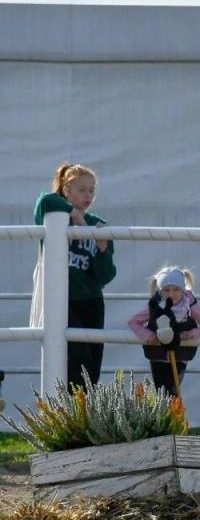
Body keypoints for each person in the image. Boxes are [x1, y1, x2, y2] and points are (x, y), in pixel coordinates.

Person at [34, 163, 115, 388]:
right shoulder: (53, 214)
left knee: (92, 366)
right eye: (82, 189)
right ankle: (65, 415)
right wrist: (72, 213)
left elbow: (106, 276)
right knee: (76, 359)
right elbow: (44, 200)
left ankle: (83, 417)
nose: (88, 195)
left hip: (91, 301)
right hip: (61, 301)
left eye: (92, 190)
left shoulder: (98, 225)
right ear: (66, 189)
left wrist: (101, 248)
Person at [128, 266, 200, 397]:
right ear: (160, 290)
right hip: (158, 357)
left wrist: (191, 333)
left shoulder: (189, 305)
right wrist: (149, 335)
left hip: (180, 356)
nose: (171, 294)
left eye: (176, 289)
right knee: (162, 394)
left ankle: (173, 417)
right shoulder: (155, 306)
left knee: (173, 393)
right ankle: (165, 416)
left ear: (183, 289)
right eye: (166, 290)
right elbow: (134, 322)